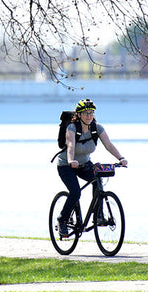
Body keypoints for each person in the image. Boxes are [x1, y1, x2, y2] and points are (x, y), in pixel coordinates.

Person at [55, 99, 128, 238]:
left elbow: (109, 145)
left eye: (91, 113)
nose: (89, 116)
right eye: (85, 113)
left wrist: (120, 158)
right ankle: (62, 219)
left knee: (97, 179)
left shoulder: (97, 127)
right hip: (66, 165)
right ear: (79, 115)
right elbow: (70, 145)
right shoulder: (72, 127)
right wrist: (71, 160)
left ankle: (98, 215)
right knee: (75, 192)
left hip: (85, 164)